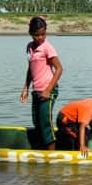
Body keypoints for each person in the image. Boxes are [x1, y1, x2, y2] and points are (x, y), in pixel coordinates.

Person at [19, 16, 63, 150]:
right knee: (36, 121)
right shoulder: (30, 47)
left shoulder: (47, 47)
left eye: (43, 34)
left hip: (48, 90)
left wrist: (48, 90)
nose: (40, 38)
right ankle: (42, 151)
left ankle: (52, 155)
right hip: (36, 90)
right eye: (37, 35)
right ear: (31, 34)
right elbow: (31, 69)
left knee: (45, 123)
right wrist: (25, 88)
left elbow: (59, 69)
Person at [56, 84, 92, 156]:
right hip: (64, 120)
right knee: (79, 136)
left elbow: (88, 118)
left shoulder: (91, 103)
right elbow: (82, 126)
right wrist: (82, 146)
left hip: (71, 120)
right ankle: (76, 150)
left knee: (87, 133)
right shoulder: (89, 107)